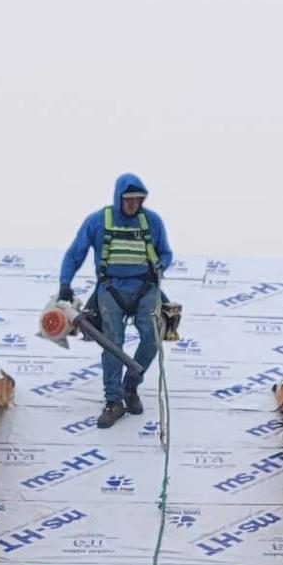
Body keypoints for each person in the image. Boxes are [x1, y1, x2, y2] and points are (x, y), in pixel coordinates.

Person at [54, 172, 172, 427]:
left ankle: (131, 384)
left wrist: (161, 265)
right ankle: (114, 401)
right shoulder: (98, 221)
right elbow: (75, 253)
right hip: (111, 289)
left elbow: (166, 252)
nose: (133, 205)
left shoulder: (152, 222)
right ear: (119, 198)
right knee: (112, 342)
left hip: (145, 287)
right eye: (128, 200)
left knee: (152, 337)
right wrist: (65, 284)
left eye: (138, 200)